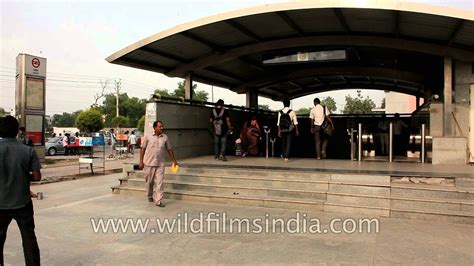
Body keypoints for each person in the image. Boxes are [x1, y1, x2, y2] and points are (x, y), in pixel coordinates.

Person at [0, 116, 42, 266]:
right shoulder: (28, 151)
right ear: (17, 131)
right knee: (29, 239)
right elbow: (37, 176)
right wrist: (22, 175)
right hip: (22, 203)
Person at [139, 121, 178, 207]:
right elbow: (142, 148)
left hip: (160, 163)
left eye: (162, 126)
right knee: (149, 182)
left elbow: (169, 149)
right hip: (149, 163)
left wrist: (174, 160)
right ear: (155, 127)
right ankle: (149, 195)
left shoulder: (165, 137)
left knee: (160, 182)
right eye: (160, 127)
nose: (162, 128)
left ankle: (158, 201)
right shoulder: (148, 136)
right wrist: (141, 161)